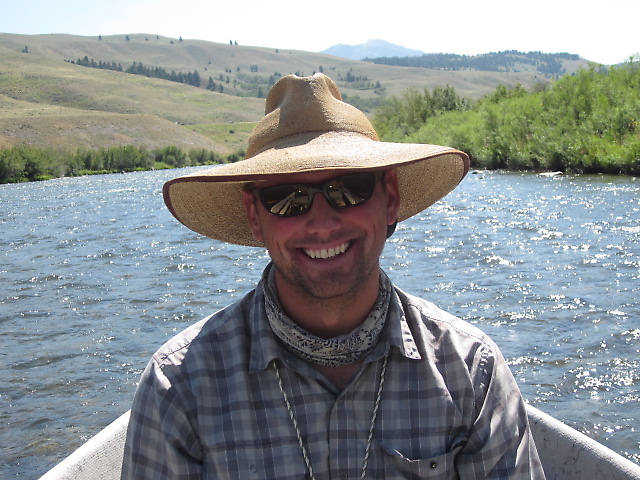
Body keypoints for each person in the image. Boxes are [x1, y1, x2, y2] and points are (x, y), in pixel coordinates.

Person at [121, 73, 545, 479]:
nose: (322, 223)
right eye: (287, 197)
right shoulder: (178, 386)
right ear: (255, 216)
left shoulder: (472, 370)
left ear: (390, 198)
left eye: (350, 188)